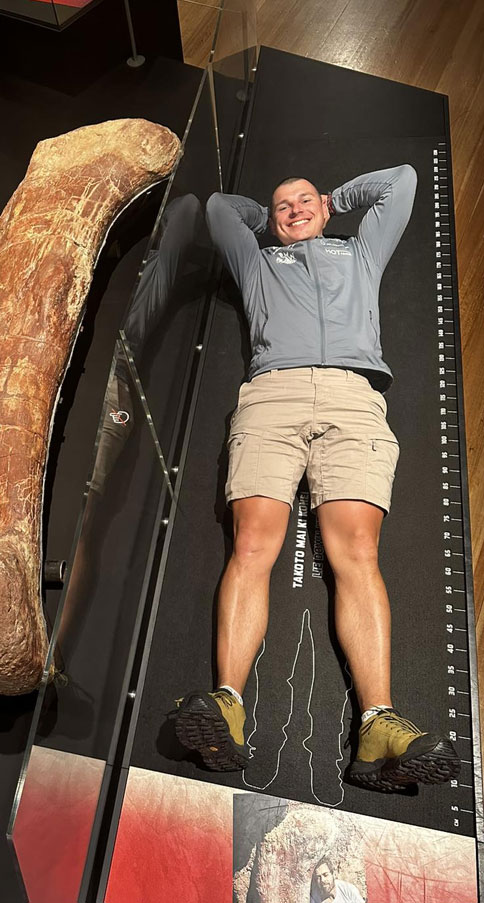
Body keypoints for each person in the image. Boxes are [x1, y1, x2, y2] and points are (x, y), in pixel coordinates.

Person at [173, 166, 461, 791]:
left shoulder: (360, 251)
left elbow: (403, 182)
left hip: (353, 397)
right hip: (271, 394)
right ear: (272, 221)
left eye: (305, 200)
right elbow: (222, 208)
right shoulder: (257, 263)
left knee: (357, 554)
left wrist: (337, 199)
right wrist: (265, 217)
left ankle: (378, 725)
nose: (294, 208)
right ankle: (227, 705)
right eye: (283, 205)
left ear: (326, 209)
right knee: (251, 546)